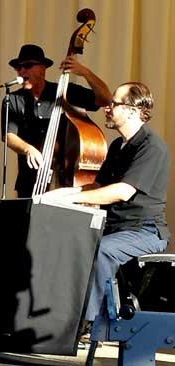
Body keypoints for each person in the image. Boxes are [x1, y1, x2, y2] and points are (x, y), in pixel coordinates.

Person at [42, 82, 169, 327]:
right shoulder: (117, 146)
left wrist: (74, 198)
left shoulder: (151, 146)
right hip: (116, 229)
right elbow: (97, 187)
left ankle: (90, 325)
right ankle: (52, 317)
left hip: (145, 231)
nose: (107, 108)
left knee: (102, 250)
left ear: (132, 110)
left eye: (114, 104)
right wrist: (59, 195)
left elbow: (122, 192)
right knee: (63, 241)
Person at [3, 44, 111, 198]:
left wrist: (86, 73)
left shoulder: (66, 92)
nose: (21, 71)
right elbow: (9, 135)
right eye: (18, 68)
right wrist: (28, 149)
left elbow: (105, 99)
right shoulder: (12, 100)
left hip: (66, 180)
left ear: (43, 68)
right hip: (30, 180)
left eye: (27, 66)